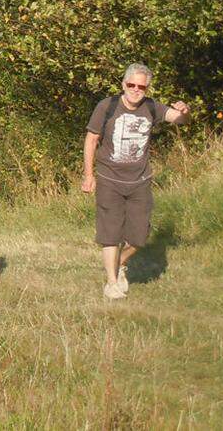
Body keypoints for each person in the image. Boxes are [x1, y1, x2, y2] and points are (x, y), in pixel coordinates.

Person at [81, 63, 190, 300]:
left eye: (142, 86)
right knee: (110, 234)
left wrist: (184, 111)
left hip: (140, 181)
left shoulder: (151, 107)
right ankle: (111, 283)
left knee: (139, 237)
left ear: (147, 88)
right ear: (123, 84)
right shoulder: (107, 106)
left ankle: (119, 263)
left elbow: (180, 121)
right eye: (132, 85)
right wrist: (89, 175)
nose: (136, 90)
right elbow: (91, 139)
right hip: (109, 178)